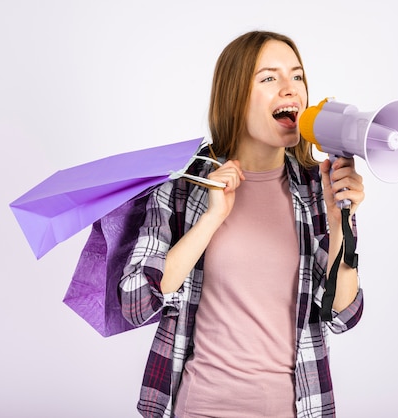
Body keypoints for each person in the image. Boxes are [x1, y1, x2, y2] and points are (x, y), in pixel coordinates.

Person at [119, 30, 365, 418]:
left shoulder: (320, 189)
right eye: (269, 78)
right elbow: (136, 301)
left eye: (297, 76)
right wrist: (212, 217)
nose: (290, 89)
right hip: (200, 407)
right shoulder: (185, 186)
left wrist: (341, 223)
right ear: (236, 97)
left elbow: (343, 314)